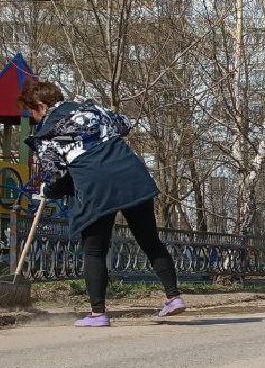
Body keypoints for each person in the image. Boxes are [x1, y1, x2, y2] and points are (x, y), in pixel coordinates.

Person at [20, 81, 185, 326]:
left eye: (31, 112)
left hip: (96, 188)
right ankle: (174, 297)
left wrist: (49, 189)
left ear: (42, 106)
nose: (32, 118)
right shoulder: (93, 109)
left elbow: (56, 176)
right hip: (131, 177)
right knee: (150, 240)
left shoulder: (48, 133)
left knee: (95, 250)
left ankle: (98, 313)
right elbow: (125, 125)